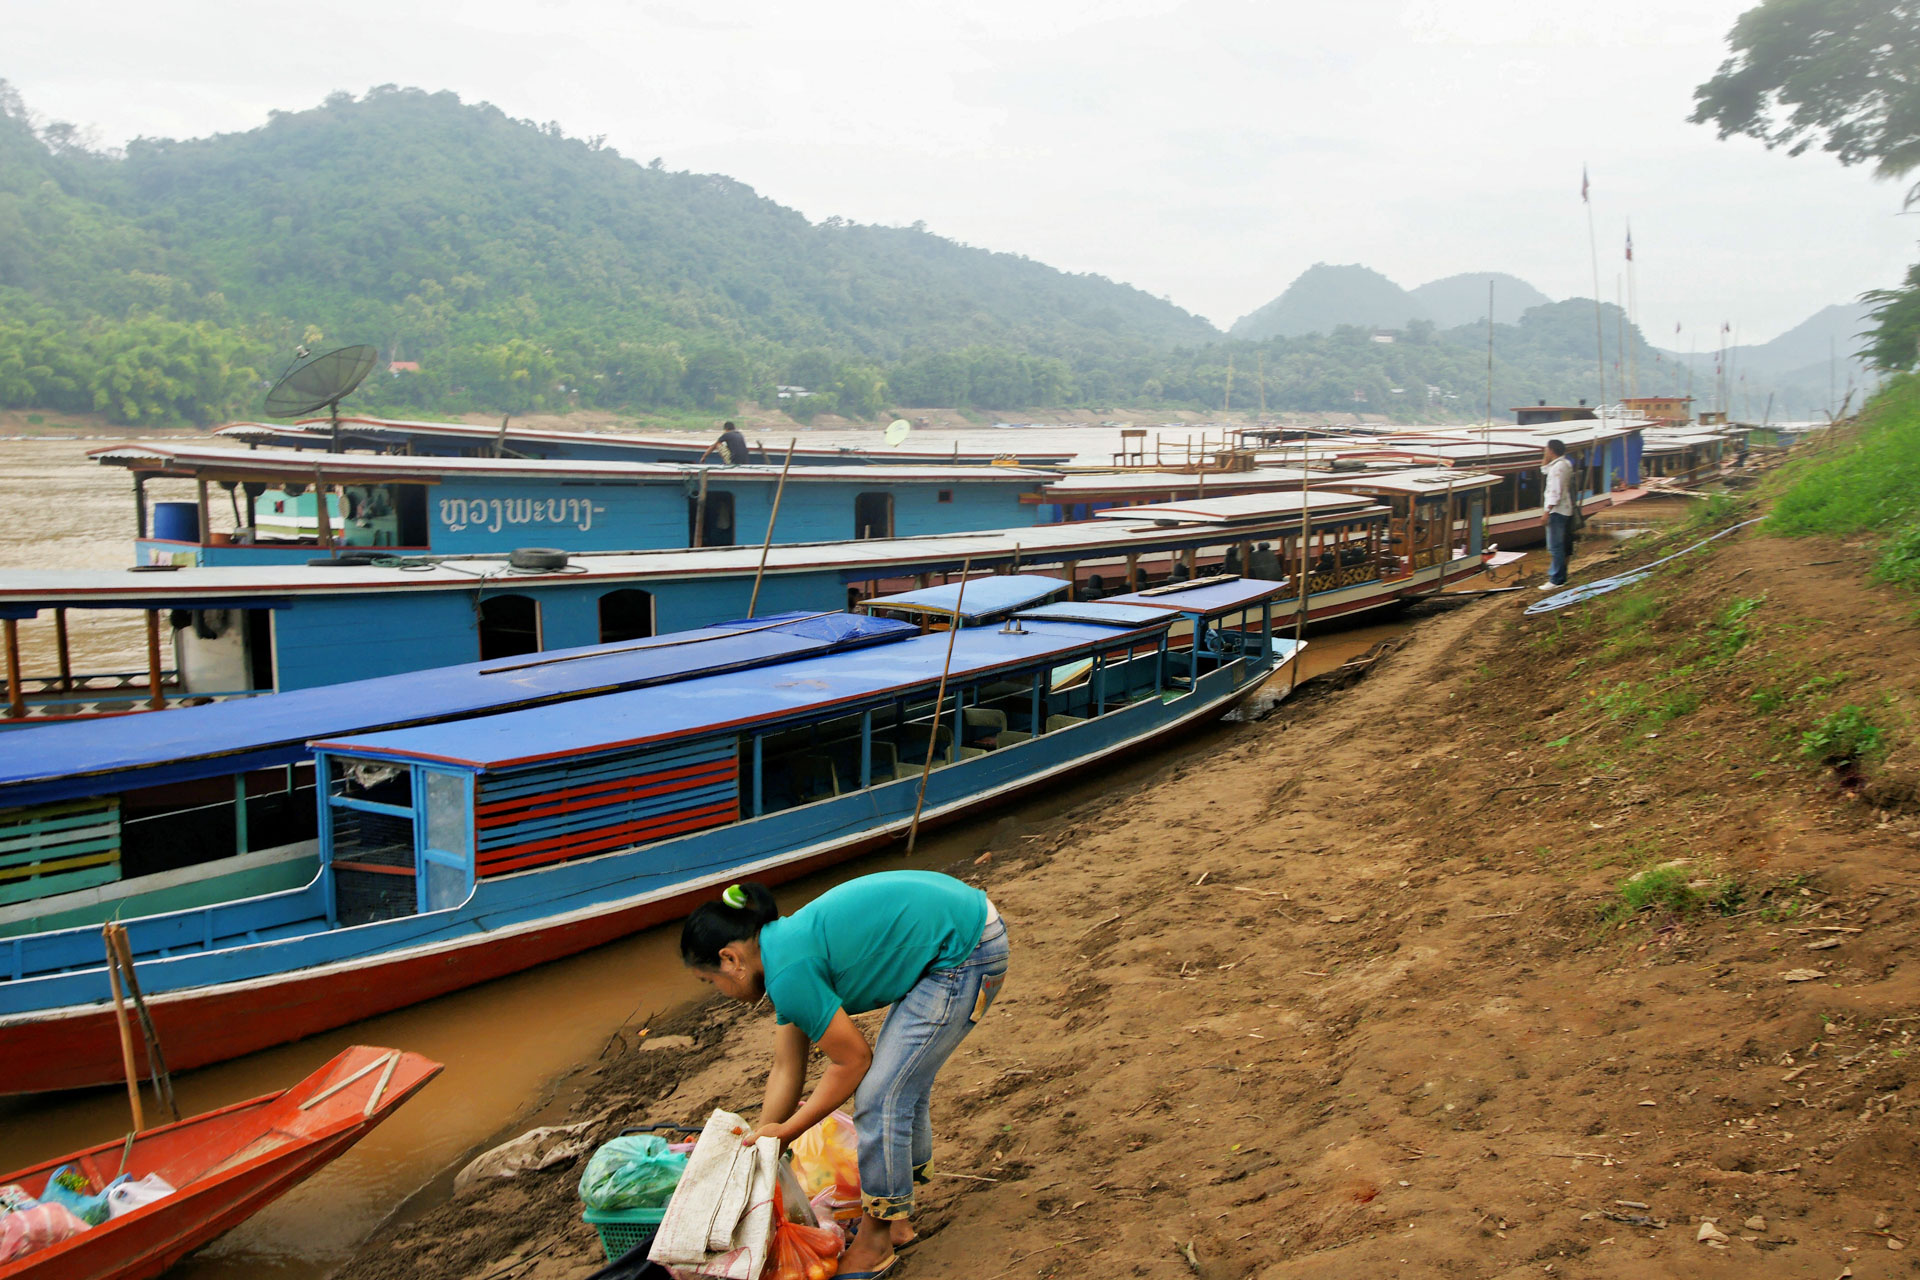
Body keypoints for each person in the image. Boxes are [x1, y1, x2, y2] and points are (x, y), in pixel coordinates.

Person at [681, 873, 1009, 1280]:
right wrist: (764, 1141)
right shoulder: (782, 950)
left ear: (731, 960)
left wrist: (788, 1131)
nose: (718, 990)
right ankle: (896, 1220)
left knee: (880, 1097)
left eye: (709, 980)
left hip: (965, 950)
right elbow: (786, 1067)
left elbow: (853, 1061)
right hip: (961, 930)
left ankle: (875, 1244)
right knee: (901, 1082)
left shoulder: (788, 972)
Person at [1540, 438, 1576, 590]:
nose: (1545, 452)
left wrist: (1547, 511)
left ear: (1552, 451)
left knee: (1555, 546)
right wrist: (1546, 460)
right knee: (1564, 545)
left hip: (1557, 510)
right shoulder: (1565, 464)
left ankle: (1556, 579)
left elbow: (1555, 491)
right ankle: (1561, 577)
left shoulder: (1557, 468)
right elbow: (1544, 469)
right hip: (1566, 509)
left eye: (1546, 450)